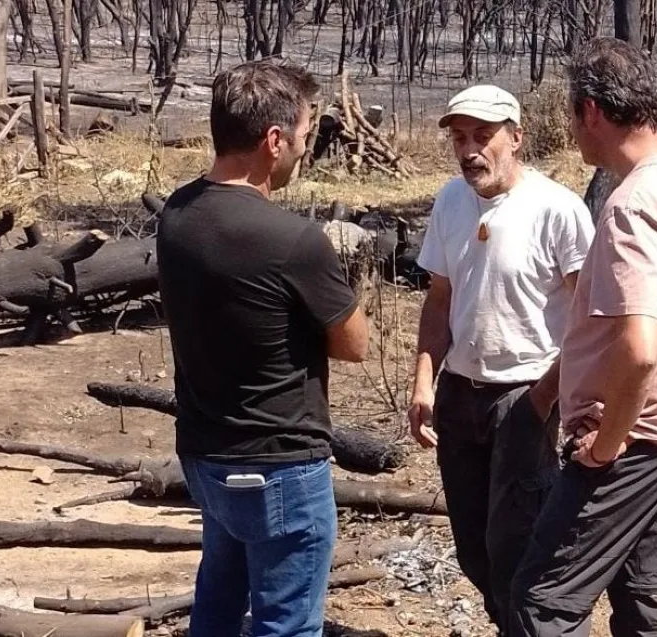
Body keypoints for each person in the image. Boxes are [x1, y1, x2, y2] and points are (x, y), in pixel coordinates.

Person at [509, 38, 657, 636]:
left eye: (571, 116)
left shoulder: (632, 204)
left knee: (543, 602)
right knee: (645, 599)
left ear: (591, 111)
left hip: (630, 441)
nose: (571, 131)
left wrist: (607, 445)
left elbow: (638, 352)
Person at [157, 60, 370, 637]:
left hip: (207, 452)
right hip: (278, 462)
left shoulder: (175, 214)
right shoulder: (292, 240)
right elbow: (354, 344)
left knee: (219, 605)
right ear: (273, 140)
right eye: (303, 133)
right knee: (288, 624)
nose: (305, 147)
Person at [407, 84, 595, 634]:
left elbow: (588, 318)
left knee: (522, 545)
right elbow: (440, 298)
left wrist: (541, 400)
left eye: (483, 137)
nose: (470, 150)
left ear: (517, 138)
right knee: (475, 547)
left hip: (525, 393)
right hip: (459, 393)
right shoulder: (450, 201)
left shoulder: (556, 209)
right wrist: (424, 380)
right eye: (461, 138)